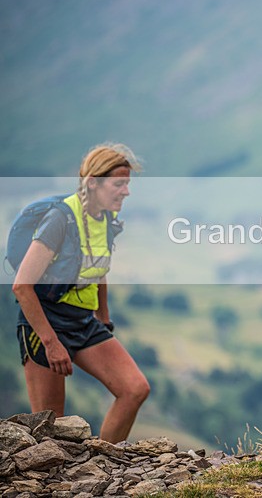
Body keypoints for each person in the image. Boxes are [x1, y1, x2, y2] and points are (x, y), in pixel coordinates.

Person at [12, 143, 150, 443]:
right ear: (93, 183)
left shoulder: (105, 220)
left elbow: (99, 268)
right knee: (51, 430)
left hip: (83, 321)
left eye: (127, 184)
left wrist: (103, 314)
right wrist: (51, 343)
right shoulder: (59, 221)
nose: (126, 192)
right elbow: (22, 287)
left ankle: (105, 461)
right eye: (119, 184)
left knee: (135, 389)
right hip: (44, 323)